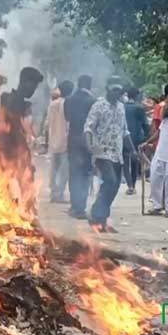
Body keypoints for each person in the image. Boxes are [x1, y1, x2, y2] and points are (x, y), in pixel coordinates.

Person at [84, 78, 130, 232]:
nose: (117, 92)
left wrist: (134, 150)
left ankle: (101, 219)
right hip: (101, 151)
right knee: (110, 180)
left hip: (117, 152)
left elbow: (124, 131)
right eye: (114, 89)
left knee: (115, 186)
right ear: (108, 88)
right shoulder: (98, 105)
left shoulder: (121, 107)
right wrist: (89, 146)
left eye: (119, 90)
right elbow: (88, 127)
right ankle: (96, 214)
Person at [0, 67, 44, 213]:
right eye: (34, 85)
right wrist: (25, 158)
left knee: (15, 190)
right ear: (25, 82)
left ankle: (23, 217)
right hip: (12, 153)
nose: (34, 90)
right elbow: (15, 131)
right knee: (21, 188)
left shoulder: (16, 101)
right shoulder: (15, 102)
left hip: (12, 152)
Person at [64, 75, 97, 219]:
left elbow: (67, 118)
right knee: (85, 173)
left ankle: (74, 205)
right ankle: (80, 208)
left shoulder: (69, 100)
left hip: (72, 139)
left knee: (74, 172)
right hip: (85, 141)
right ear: (89, 85)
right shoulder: (92, 101)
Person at [123, 87, 150, 195]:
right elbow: (145, 125)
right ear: (137, 96)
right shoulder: (140, 108)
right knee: (134, 162)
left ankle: (129, 185)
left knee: (125, 162)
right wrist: (146, 138)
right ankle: (133, 185)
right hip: (137, 138)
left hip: (124, 138)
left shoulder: (122, 107)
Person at [46, 84, 71, 203]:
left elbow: (47, 123)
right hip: (65, 141)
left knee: (54, 169)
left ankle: (53, 193)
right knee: (63, 170)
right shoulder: (67, 104)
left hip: (53, 140)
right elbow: (69, 124)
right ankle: (59, 194)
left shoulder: (52, 104)